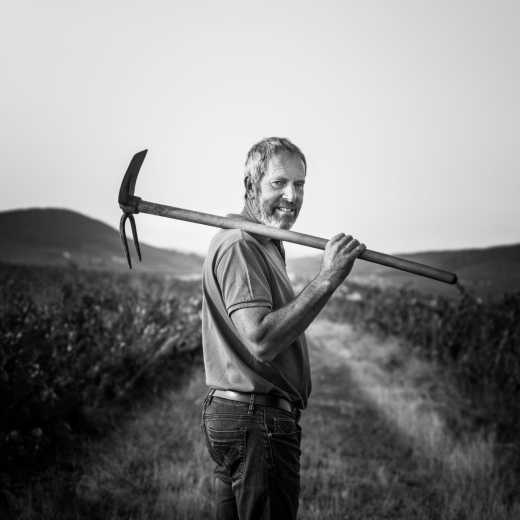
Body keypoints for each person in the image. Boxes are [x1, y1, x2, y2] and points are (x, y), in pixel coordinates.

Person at [200, 137, 366, 519]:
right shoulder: (241, 244)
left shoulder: (266, 244)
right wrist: (328, 278)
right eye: (279, 183)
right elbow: (261, 338)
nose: (292, 196)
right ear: (250, 185)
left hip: (245, 417)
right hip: (255, 422)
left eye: (300, 184)